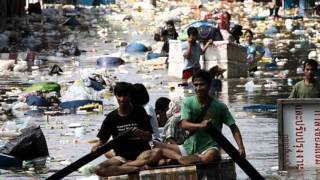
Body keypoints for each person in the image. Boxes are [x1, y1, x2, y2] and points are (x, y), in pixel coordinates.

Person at [155, 70, 246, 165]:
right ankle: (182, 159)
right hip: (188, 147)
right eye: (196, 85)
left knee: (211, 155)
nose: (198, 88)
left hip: (210, 147)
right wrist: (200, 126)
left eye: (202, 84)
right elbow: (184, 124)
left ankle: (182, 160)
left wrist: (241, 147)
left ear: (209, 85)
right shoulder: (187, 103)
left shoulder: (220, 106)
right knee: (155, 146)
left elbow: (233, 127)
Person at [91, 82, 154, 177]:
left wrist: (140, 133)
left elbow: (149, 136)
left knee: (156, 152)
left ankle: (128, 166)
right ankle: (135, 168)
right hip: (122, 157)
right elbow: (101, 141)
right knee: (99, 169)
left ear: (130, 96)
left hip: (142, 154)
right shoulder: (111, 118)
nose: (122, 99)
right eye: (119, 96)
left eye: (125, 96)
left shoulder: (140, 111)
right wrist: (95, 147)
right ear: (115, 96)